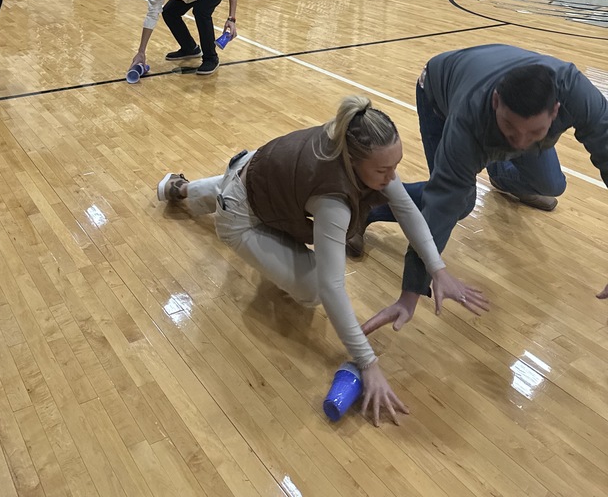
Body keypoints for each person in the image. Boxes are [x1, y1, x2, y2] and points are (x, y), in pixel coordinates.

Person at [156, 96, 488, 425]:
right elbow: (331, 287)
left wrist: (437, 269)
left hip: (257, 169)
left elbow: (407, 211)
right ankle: (206, 191)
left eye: (396, 166)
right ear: (354, 162)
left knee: (242, 185)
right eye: (384, 170)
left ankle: (183, 189)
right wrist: (368, 363)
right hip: (241, 215)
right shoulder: (333, 199)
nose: (392, 177)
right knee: (313, 289)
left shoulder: (350, 139)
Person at [361, 45, 608, 334]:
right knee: (463, 201)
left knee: (551, 185)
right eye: (510, 129)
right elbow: (442, 203)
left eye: (535, 133)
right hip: (438, 92)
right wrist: (410, 292)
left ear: (556, 111)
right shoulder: (468, 121)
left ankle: (501, 175)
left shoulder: (576, 92)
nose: (520, 143)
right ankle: (365, 207)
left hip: (494, 94)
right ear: (495, 102)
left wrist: (514, 133)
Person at [131, 0, 238, 77]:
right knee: (169, 12)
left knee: (201, 11)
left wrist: (231, 19)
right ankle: (190, 49)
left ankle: (211, 58)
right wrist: (141, 51)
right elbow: (152, 14)